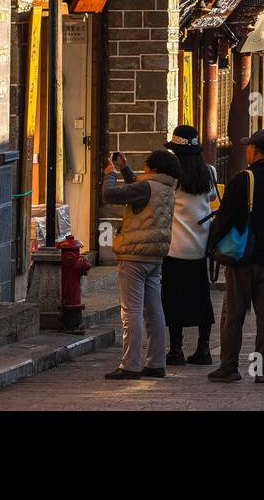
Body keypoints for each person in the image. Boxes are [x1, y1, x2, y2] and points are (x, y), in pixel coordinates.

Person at [208, 130, 264, 383]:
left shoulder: (243, 180)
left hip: (242, 259)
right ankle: (262, 369)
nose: (246, 150)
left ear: (255, 150)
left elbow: (225, 218)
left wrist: (213, 245)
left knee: (234, 314)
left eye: (249, 147)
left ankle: (229, 367)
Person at [102, 149, 180, 380]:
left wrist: (110, 174)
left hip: (134, 256)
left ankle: (131, 364)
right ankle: (156, 362)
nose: (144, 171)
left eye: (146, 167)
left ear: (153, 169)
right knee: (154, 311)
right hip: (155, 256)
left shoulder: (147, 187)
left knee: (132, 311)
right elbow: (137, 191)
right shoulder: (167, 188)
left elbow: (110, 195)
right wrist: (125, 168)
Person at [161, 127, 217, 366]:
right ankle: (203, 349)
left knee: (174, 299)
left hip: (175, 247)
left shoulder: (172, 176)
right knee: (201, 297)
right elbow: (213, 198)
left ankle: (176, 350)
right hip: (200, 247)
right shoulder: (209, 171)